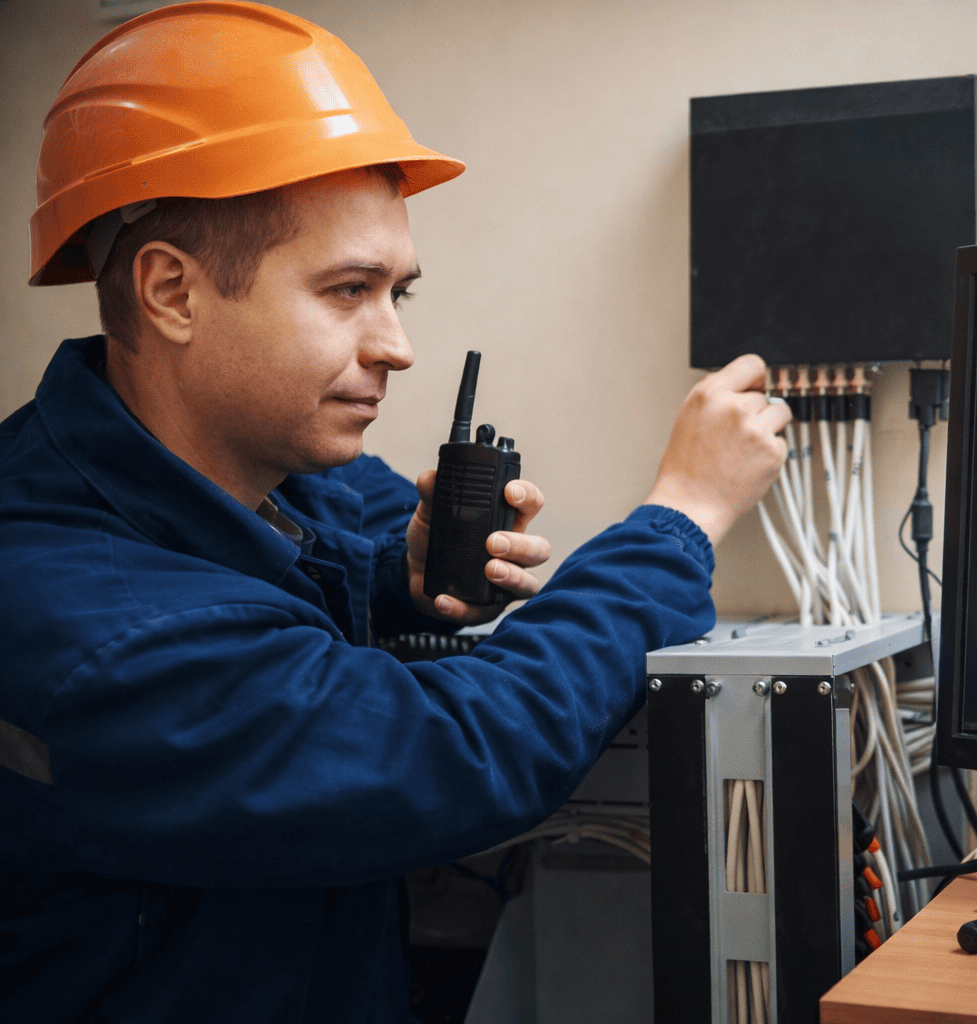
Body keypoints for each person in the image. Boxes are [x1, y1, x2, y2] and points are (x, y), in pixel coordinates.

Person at [0, 4, 791, 1021]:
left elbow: (328, 550)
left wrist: (402, 577)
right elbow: (462, 746)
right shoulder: (86, 619)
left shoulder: (251, 465)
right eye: (346, 290)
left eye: (397, 295)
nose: (396, 347)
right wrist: (682, 514)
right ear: (172, 293)